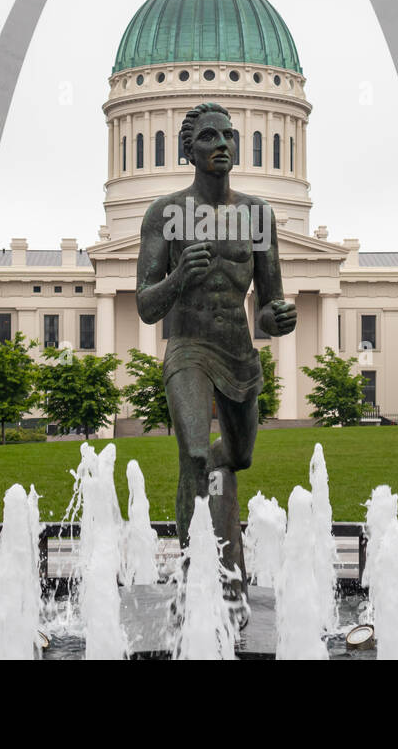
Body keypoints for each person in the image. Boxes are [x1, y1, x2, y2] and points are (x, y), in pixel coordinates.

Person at [136, 102, 296, 598]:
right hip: (188, 346)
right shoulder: (166, 214)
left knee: (237, 459)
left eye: (228, 135)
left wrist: (279, 319)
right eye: (209, 137)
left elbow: (268, 304)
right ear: (189, 149)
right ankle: (198, 575)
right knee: (196, 453)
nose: (222, 144)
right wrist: (180, 276)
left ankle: (228, 554)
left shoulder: (257, 215)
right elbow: (145, 305)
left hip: (238, 354)